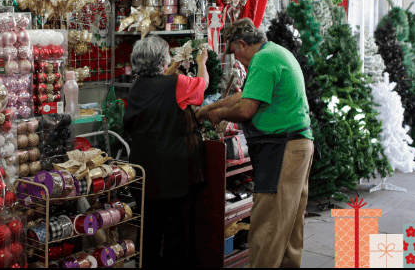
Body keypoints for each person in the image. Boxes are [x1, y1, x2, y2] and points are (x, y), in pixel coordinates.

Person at [196, 18, 314, 268]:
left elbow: (246, 109)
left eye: (234, 53)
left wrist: (217, 115)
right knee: (290, 225)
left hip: (283, 148)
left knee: (267, 225)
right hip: (298, 145)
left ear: (242, 43)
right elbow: (246, 95)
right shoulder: (276, 52)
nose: (236, 59)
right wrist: (212, 107)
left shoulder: (263, 58)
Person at [123, 36, 209, 267]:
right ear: (162, 59)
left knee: (148, 232)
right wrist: (202, 62)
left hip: (142, 169)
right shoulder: (176, 84)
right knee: (176, 234)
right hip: (172, 171)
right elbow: (202, 87)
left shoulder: (137, 86)